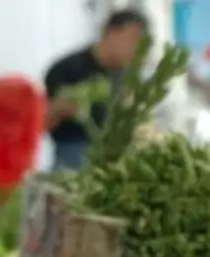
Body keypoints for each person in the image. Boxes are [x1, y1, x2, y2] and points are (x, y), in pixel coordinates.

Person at [45, 10, 149, 170]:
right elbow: (41, 123)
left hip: (114, 161)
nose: (134, 48)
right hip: (71, 157)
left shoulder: (128, 78)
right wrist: (59, 109)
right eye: (132, 39)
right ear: (110, 32)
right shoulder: (66, 68)